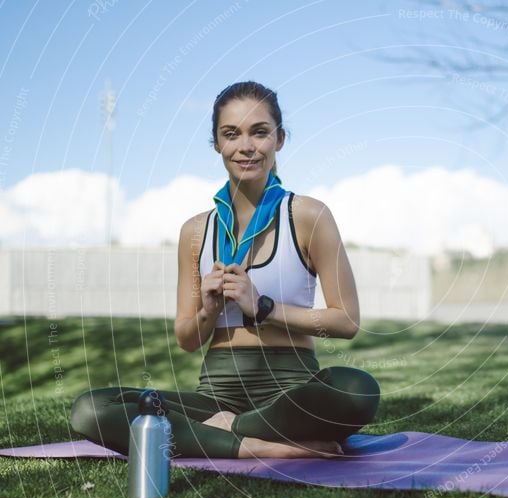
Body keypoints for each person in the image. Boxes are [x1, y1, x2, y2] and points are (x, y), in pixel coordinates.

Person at [70, 81, 380, 459]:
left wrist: (263, 307)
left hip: (292, 392)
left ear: (279, 139)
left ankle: (223, 433)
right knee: (91, 409)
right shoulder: (195, 232)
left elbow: (346, 321)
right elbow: (186, 338)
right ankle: (254, 446)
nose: (246, 146)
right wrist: (209, 309)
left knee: (356, 390)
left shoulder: (309, 216)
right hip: (215, 398)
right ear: (217, 143)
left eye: (260, 132)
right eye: (231, 134)